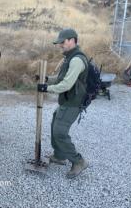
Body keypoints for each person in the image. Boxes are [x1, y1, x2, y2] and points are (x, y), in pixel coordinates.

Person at [38, 28, 89, 179]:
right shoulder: (69, 57)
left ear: (72, 40)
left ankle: (79, 161)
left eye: (63, 42)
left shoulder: (76, 60)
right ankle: (59, 156)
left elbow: (66, 84)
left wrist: (47, 89)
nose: (60, 45)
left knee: (60, 132)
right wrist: (47, 79)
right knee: (55, 122)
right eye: (59, 42)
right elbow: (61, 78)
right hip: (67, 100)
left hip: (73, 102)